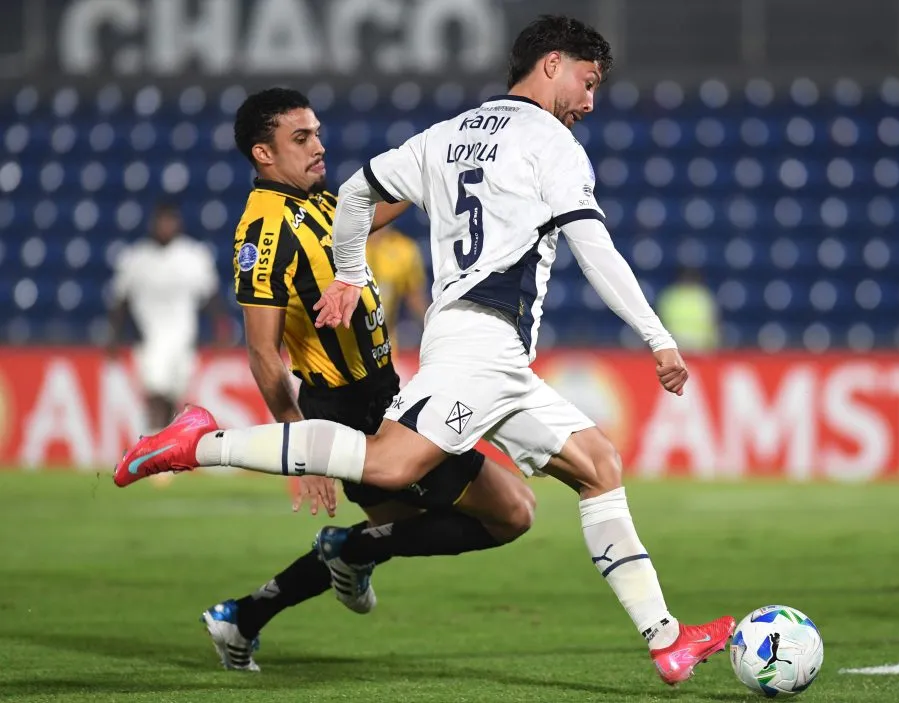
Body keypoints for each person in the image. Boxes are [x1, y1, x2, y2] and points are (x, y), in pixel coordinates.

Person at [114, 17, 733, 685]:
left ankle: (666, 639)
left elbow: (359, 192)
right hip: (439, 361)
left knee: (592, 466)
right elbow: (593, 246)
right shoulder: (270, 228)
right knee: (401, 474)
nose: (589, 102)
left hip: (472, 354)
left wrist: (351, 268)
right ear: (552, 65)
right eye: (586, 83)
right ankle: (196, 446)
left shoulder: (449, 135)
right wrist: (658, 337)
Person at [147, 88, 536, 671]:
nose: (318, 147)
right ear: (263, 153)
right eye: (300, 138)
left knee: (398, 530)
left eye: (318, 133)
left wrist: (444, 160)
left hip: (383, 393)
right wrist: (298, 443)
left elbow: (381, 208)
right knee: (513, 513)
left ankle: (241, 618)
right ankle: (344, 551)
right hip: (352, 407)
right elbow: (261, 350)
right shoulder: (264, 232)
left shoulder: (320, 203)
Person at [107, 202, 226, 435]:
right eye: (161, 222)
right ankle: (152, 443)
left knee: (174, 397)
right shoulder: (135, 259)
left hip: (183, 340)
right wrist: (113, 336)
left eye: (170, 221)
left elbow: (211, 296)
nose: (165, 227)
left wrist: (221, 327)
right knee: (155, 393)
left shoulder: (194, 256)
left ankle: (165, 449)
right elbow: (121, 301)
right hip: (150, 340)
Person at [365, 225, 429, 358]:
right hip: (344, 344)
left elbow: (415, 297)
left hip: (385, 347)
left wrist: (433, 330)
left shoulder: (404, 249)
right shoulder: (341, 244)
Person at [655, 265, 720, 352]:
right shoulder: (670, 296)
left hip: (701, 348)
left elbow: (714, 323)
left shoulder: (704, 296)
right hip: (675, 347)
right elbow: (660, 322)